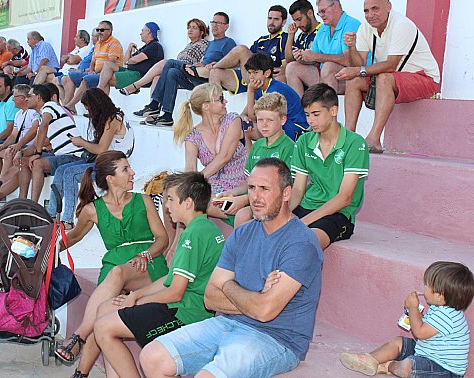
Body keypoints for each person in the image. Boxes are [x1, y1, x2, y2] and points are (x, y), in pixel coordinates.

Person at [140, 158, 324, 378]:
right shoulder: (242, 233)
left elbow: (264, 312)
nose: (255, 197)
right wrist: (255, 298)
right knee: (152, 357)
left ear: (286, 193)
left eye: (265, 189)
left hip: (276, 338)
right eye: (252, 188)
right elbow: (210, 298)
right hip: (226, 323)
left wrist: (228, 287)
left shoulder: (300, 243)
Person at [93, 172, 226, 378]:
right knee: (105, 309)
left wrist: (139, 302)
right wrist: (135, 296)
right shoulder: (202, 227)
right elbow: (170, 279)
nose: (166, 206)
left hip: (186, 313)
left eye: (171, 199)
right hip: (182, 305)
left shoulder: (194, 233)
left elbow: (175, 293)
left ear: (188, 203)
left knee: (103, 328)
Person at [54, 151, 170, 376]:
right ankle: (80, 374)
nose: (132, 173)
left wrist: (145, 255)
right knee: (103, 316)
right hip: (114, 266)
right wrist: (49, 251)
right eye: (126, 169)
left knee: (116, 273)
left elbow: (162, 238)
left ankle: (78, 337)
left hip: (147, 264)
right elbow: (75, 237)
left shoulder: (143, 200)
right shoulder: (92, 210)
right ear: (110, 178)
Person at [337, 0, 441, 154]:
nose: (370, 15)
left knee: (384, 77)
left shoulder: (401, 25)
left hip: (424, 78)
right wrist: (351, 48)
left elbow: (391, 65)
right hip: (395, 78)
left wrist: (357, 70)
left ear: (389, 7)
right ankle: (348, 137)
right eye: (366, 11)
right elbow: (359, 64)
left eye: (375, 9)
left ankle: (374, 139)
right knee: (354, 80)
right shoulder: (366, 27)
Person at [340, 261, 473, 377]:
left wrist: (413, 308)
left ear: (439, 295)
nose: (424, 287)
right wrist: (415, 314)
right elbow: (426, 327)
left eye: (427, 285)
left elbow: (420, 333)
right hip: (426, 353)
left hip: (443, 370)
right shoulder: (439, 308)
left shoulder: (448, 316)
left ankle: (390, 366)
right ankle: (368, 359)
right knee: (398, 342)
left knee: (409, 366)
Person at [290, 83, 369, 250]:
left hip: (338, 213)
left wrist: (303, 223)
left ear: (333, 111)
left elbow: (345, 197)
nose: (310, 120)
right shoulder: (304, 141)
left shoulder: (355, 143)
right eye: (307, 115)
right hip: (307, 206)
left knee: (306, 243)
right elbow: (297, 190)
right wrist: (282, 217)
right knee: (265, 230)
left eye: (316, 114)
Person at [47, 88, 134, 228]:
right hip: (106, 161)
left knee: (70, 173)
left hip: (113, 165)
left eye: (89, 109)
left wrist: (81, 142)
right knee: (60, 170)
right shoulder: (112, 117)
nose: (89, 113)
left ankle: (67, 220)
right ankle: (51, 214)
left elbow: (100, 149)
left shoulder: (113, 120)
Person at [136, 12, 237, 127]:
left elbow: (232, 62)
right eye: (213, 22)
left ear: (226, 26)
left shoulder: (228, 42)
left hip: (207, 78)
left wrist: (216, 65)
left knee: (170, 63)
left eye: (218, 23)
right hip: (196, 75)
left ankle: (154, 104)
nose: (214, 25)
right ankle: (167, 116)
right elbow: (203, 59)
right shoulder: (210, 44)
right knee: (172, 72)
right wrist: (201, 63)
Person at [216, 93, 296, 227]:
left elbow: (286, 188)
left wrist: (245, 199)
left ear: (282, 120)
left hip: (273, 201)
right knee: (208, 204)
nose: (264, 125)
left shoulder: (289, 148)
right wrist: (232, 192)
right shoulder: (257, 146)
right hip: (253, 197)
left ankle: (242, 248)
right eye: (260, 120)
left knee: (242, 215)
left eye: (270, 120)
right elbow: (249, 180)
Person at [173, 83, 246, 227]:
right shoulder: (193, 136)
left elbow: (224, 157)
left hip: (240, 181)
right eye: (220, 99)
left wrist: (195, 182)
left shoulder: (233, 120)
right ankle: (174, 247)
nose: (225, 101)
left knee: (193, 201)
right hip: (214, 186)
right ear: (206, 106)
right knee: (179, 198)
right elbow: (190, 168)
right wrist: (189, 186)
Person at [20, 83, 83, 202]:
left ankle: (33, 205)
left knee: (37, 163)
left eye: (29, 96)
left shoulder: (50, 106)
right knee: (24, 161)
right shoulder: (43, 114)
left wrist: (37, 153)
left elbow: (44, 126)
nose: (26, 99)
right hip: (62, 155)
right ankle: (22, 201)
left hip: (73, 155)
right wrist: (21, 152)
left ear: (38, 97)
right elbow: (38, 142)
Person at [289, 0, 361, 95]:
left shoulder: (351, 24)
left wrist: (316, 56)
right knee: (292, 67)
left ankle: (329, 108)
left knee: (329, 67)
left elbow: (349, 61)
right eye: (319, 13)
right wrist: (303, 58)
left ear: (335, 7)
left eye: (323, 11)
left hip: (351, 78)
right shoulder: (323, 28)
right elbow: (315, 59)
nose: (321, 16)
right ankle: (301, 110)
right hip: (326, 76)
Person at [119, 18, 210, 96]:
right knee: (157, 78)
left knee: (166, 62)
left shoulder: (204, 43)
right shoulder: (189, 45)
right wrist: (129, 51)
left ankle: (135, 86)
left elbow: (206, 58)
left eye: (194, 28)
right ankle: (153, 108)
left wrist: (201, 64)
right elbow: (126, 62)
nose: (190, 30)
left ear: (201, 32)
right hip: (179, 72)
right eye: (189, 27)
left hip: (188, 73)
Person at [209, 5, 288, 91]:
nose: (271, 22)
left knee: (241, 49)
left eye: (276, 19)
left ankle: (212, 67)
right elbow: (244, 59)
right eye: (269, 18)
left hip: (264, 78)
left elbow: (286, 63)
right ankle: (215, 102)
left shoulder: (285, 38)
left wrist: (283, 69)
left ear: (283, 22)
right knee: (215, 73)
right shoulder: (261, 40)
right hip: (249, 76)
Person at [242, 53, 308, 141]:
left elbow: (254, 117)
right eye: (249, 73)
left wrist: (250, 91)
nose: (251, 77)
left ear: (267, 73)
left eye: (255, 72)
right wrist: (242, 115)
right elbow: (248, 111)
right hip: (284, 124)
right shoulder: (260, 87)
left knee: (261, 124)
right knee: (242, 125)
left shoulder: (274, 89)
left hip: (296, 128)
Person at [65, 20, 124, 111]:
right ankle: (68, 106)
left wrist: (94, 72)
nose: (99, 32)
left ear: (109, 31)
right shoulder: (98, 44)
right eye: (98, 30)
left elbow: (110, 62)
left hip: (108, 73)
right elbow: (93, 61)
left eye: (102, 30)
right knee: (70, 77)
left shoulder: (114, 43)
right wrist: (92, 70)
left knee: (86, 80)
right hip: (95, 72)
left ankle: (69, 106)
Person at [0, 84, 40, 180]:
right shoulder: (18, 114)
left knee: (9, 152)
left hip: (28, 147)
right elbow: (13, 135)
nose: (12, 100)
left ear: (22, 98)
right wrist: (2, 146)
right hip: (20, 146)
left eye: (14, 96)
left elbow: (34, 130)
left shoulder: (33, 112)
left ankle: (1, 183)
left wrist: (18, 145)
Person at [96, 22, 164, 94]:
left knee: (105, 79)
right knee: (107, 64)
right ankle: (100, 94)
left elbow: (134, 60)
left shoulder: (154, 46)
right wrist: (129, 48)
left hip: (138, 75)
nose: (140, 33)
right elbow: (125, 61)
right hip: (129, 71)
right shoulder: (145, 47)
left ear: (148, 31)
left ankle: (98, 94)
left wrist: (129, 61)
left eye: (142, 30)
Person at [285, 0, 322, 96]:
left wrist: (305, 59)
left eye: (299, 19)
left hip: (322, 75)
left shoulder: (322, 31)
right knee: (289, 67)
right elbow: (289, 59)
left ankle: (298, 109)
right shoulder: (302, 36)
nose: (297, 24)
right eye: (294, 21)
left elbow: (322, 59)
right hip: (308, 77)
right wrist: (291, 35)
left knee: (292, 68)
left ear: (310, 13)